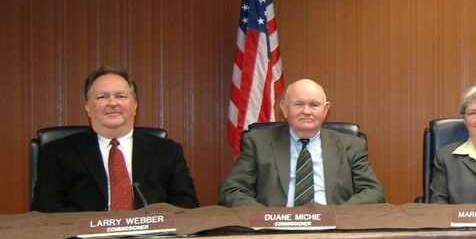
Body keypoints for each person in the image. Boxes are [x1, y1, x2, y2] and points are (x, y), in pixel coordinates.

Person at [31, 66, 199, 212]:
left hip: (150, 236)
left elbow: (186, 205)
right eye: (102, 97)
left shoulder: (167, 151)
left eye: (121, 96)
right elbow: (44, 208)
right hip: (84, 238)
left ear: (135, 105)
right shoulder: (59, 152)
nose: (112, 103)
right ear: (87, 107)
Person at [218, 79, 384, 206]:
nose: (306, 111)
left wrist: (337, 215)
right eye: (298, 104)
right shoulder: (257, 143)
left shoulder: (351, 145)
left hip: (332, 229)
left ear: (325, 110)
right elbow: (232, 191)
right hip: (276, 231)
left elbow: (373, 192)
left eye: (314, 105)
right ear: (284, 108)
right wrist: (268, 218)